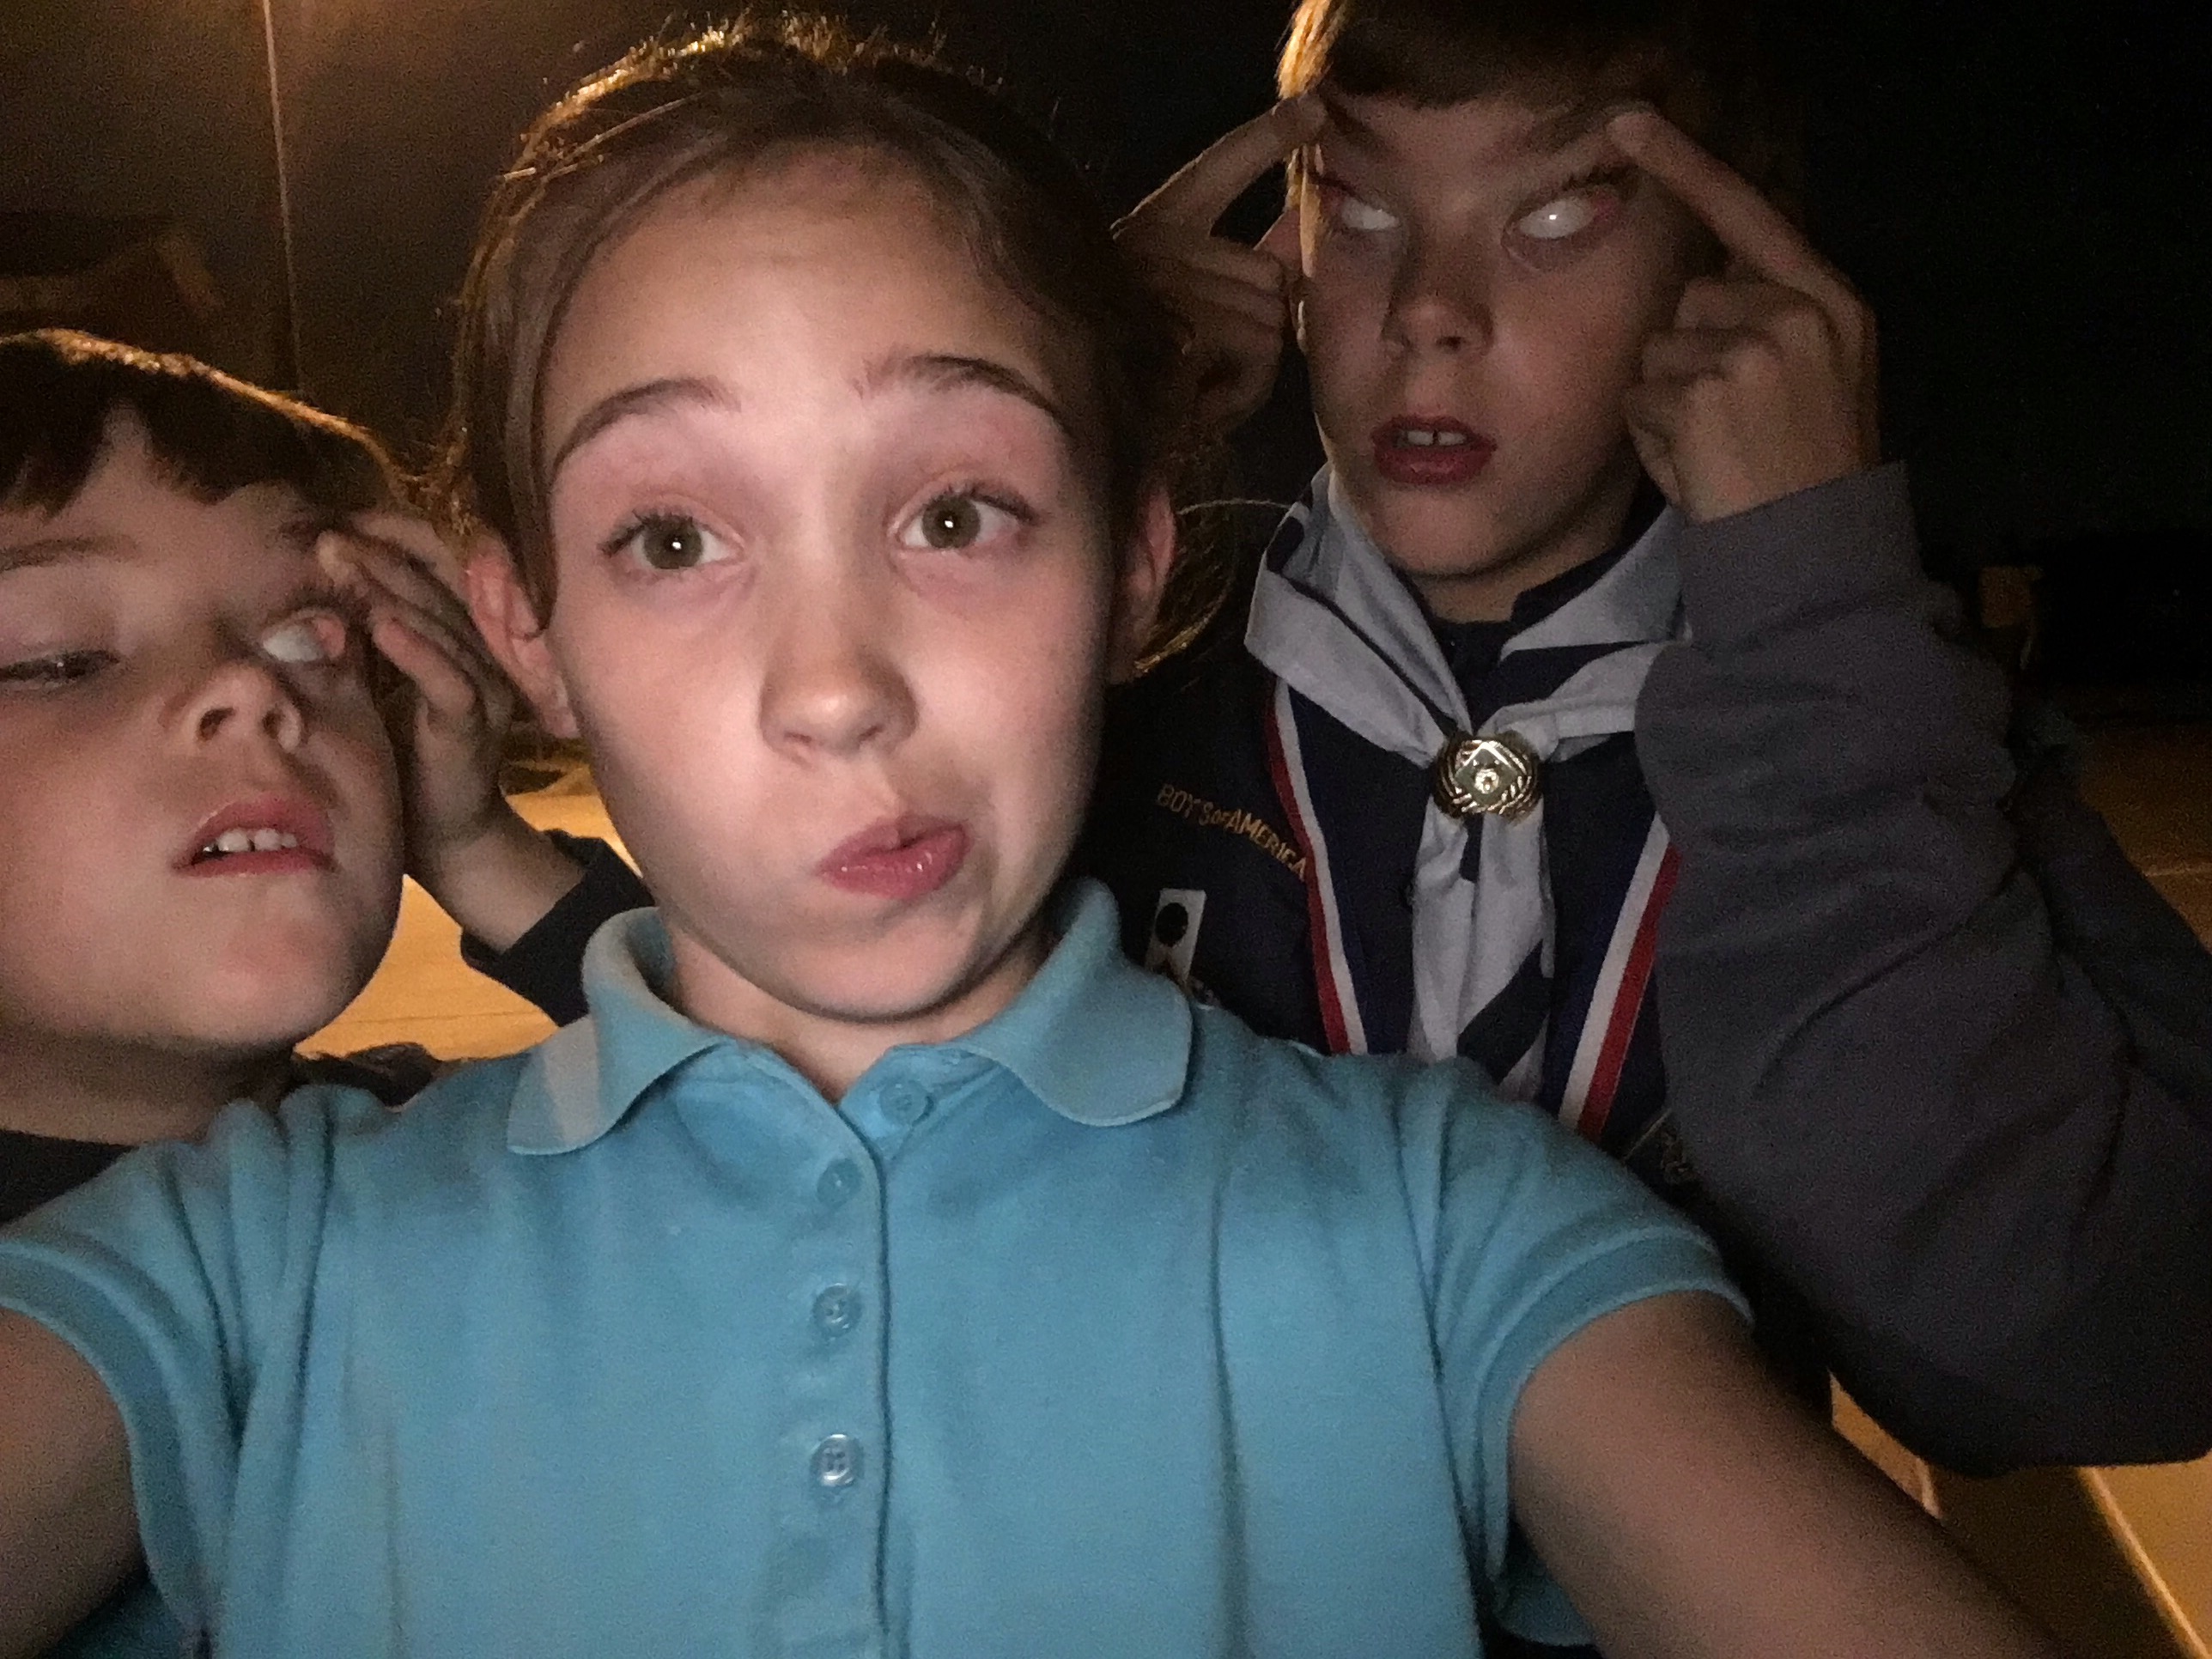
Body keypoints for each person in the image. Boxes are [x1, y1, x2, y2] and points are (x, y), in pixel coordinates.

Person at [0, 22, 2060, 1657]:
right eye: (674, 537)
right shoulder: (250, 1259)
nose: (836, 686)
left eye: (955, 512)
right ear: (521, 621)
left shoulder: (1452, 1226)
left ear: (1135, 555)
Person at [1088, 0, 2212, 1472]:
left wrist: (1817, 622)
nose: (1429, 308)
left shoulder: (1884, 717)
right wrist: (1064, 423)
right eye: (1357, 211)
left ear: (1721, 281)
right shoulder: (1117, 673)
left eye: (1555, 216)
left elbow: (2105, 1356)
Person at [0, 327, 589, 1653]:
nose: (251, 689)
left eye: (310, 637)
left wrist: (481, 847)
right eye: (59, 659)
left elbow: (843, 1115)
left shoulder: (451, 1157)